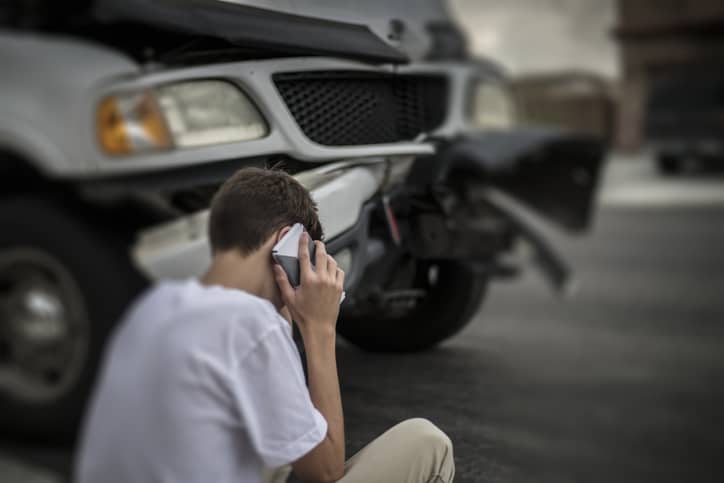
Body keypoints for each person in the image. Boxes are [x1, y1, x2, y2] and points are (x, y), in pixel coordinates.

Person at [75, 167, 455, 483]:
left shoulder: (156, 307)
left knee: (275, 437)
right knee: (427, 441)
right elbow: (324, 470)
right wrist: (321, 329)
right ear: (287, 243)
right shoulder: (248, 323)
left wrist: (287, 311)